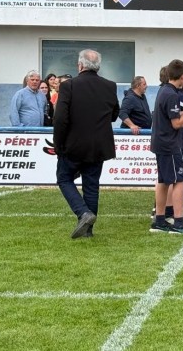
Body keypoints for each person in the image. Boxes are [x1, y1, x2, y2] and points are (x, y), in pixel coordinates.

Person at [53, 50, 120, 239]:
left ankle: (83, 213)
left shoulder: (68, 86)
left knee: (64, 179)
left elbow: (60, 119)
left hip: (73, 144)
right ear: (98, 66)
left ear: (80, 65)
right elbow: (114, 115)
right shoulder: (110, 86)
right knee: (91, 186)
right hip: (98, 145)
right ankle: (88, 230)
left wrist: (58, 145)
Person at [150, 59, 183, 235]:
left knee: (163, 181)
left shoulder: (163, 90)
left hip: (161, 142)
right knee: (179, 181)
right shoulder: (172, 94)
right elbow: (176, 123)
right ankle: (178, 222)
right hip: (169, 144)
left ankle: (159, 220)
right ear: (182, 76)